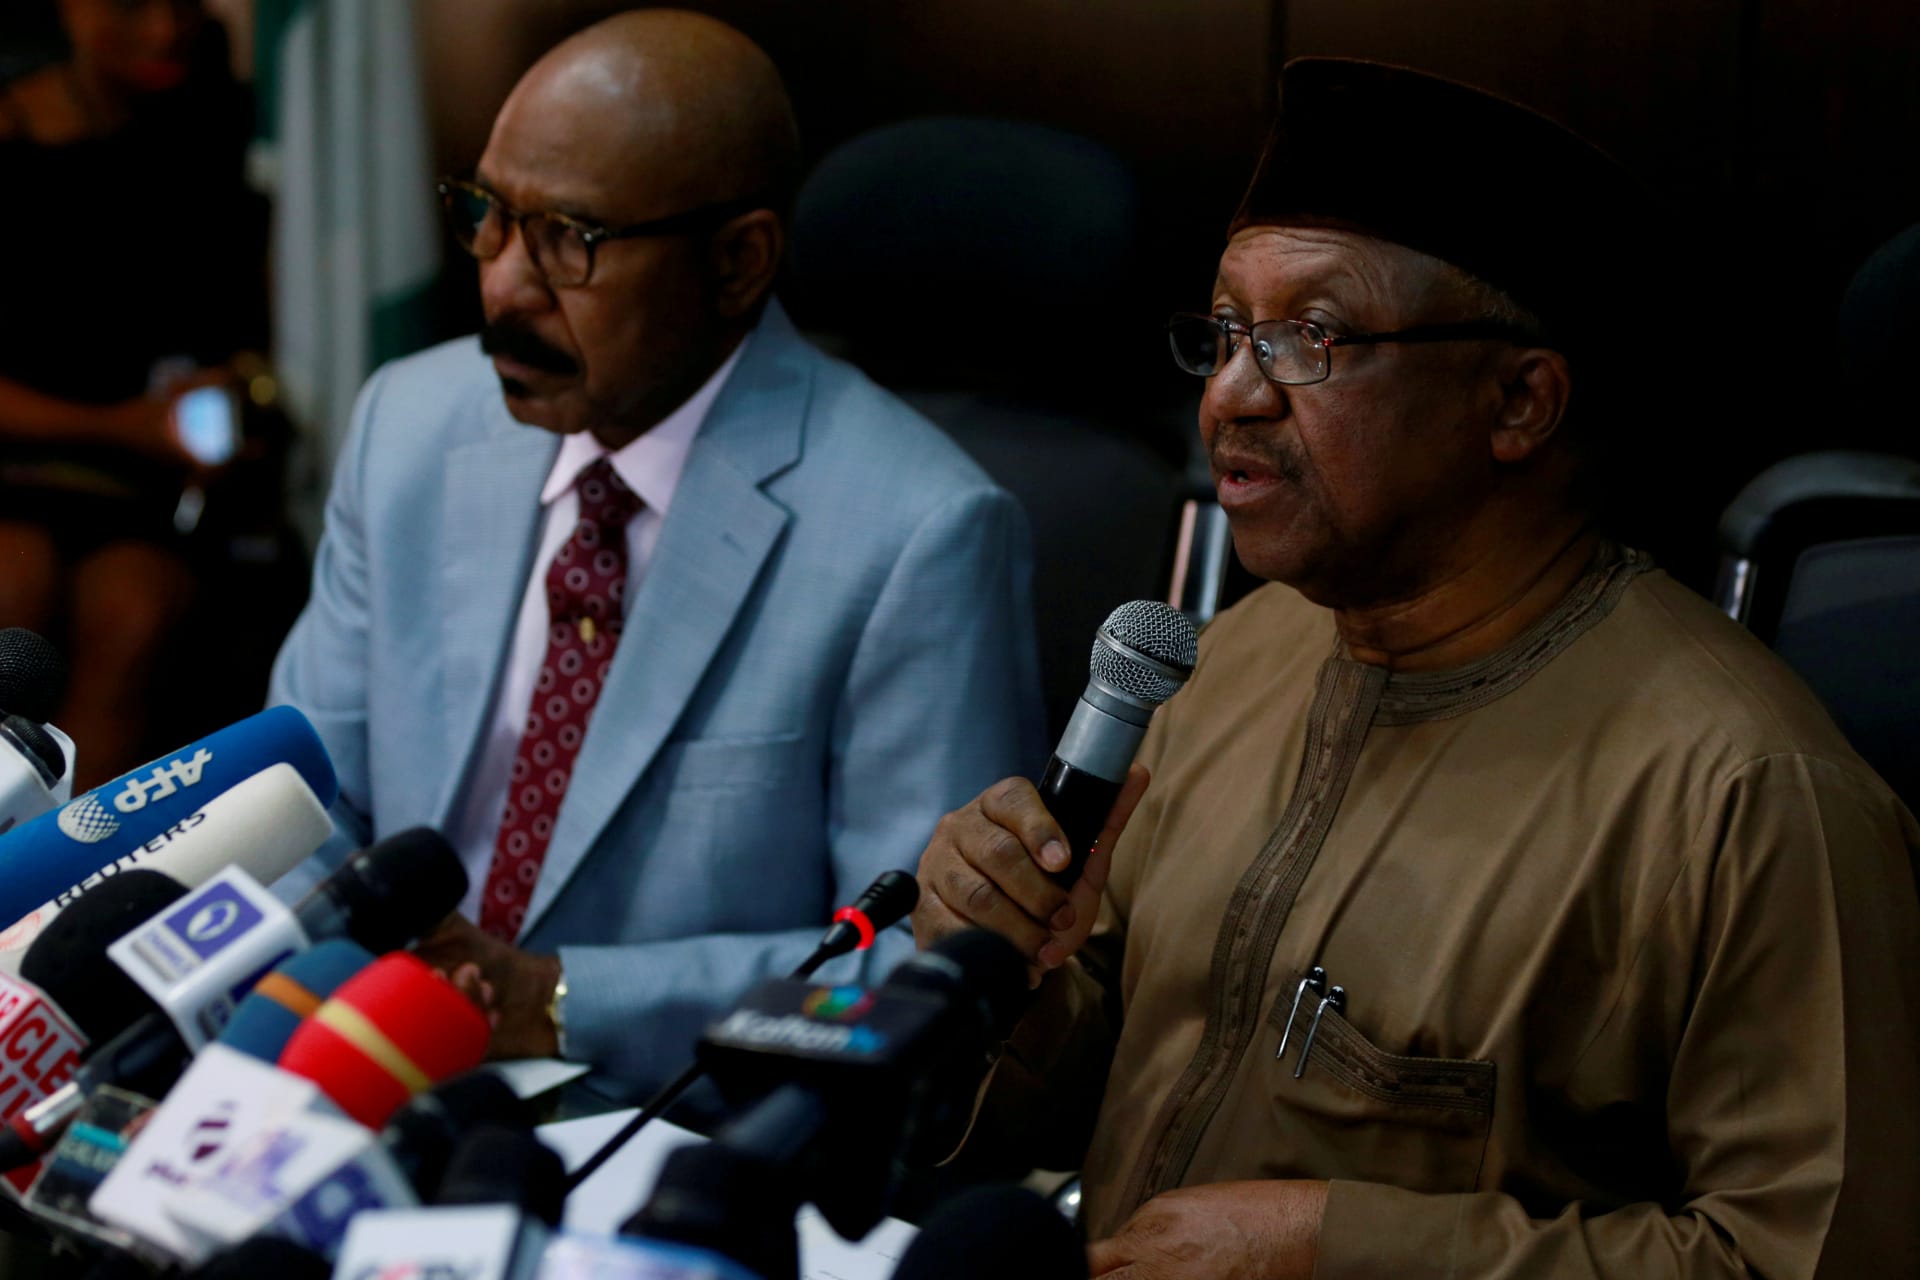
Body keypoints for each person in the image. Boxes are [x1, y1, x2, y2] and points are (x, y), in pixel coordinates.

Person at [913, 59, 1920, 1278]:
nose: (1232, 397)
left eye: (1311, 338)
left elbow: (1811, 1256)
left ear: (1519, 401)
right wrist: (999, 968)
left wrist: (1345, 1250)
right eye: (1228, 332)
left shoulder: (1752, 797)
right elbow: (1065, 1102)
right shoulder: (1225, 666)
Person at [268, 11, 1041, 1101]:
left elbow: (918, 972)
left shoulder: (920, 532)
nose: (505, 287)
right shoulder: (408, 423)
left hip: (666, 1135)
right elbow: (297, 797)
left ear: (738, 263)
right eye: (486, 215)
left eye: (569, 237)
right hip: (363, 1062)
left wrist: (556, 995)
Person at [0, 0, 267, 788]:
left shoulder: (220, 137)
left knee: (135, 613)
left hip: (152, 482)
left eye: (183, 7)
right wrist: (125, 427)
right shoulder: (10, 136)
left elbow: (244, 329)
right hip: (23, 459)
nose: (163, 31)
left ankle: (65, 879)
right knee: (13, 587)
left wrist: (231, 406)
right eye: (131, 6)